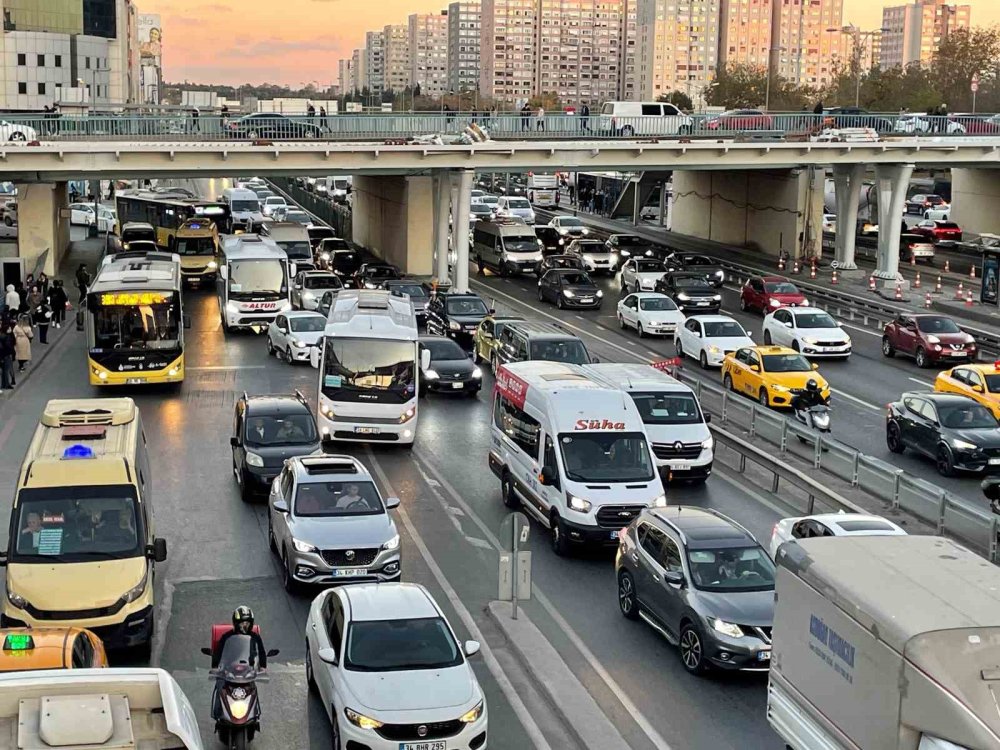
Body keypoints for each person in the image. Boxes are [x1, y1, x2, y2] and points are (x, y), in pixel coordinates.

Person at [0, 323, 15, 389]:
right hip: (6, 355)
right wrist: (12, 352)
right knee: (6, 370)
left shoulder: (1, 336)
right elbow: (9, 346)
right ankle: (6, 385)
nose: (11, 329)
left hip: (2, 356)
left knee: (4, 371)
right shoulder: (7, 337)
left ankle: (4, 384)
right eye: (9, 328)